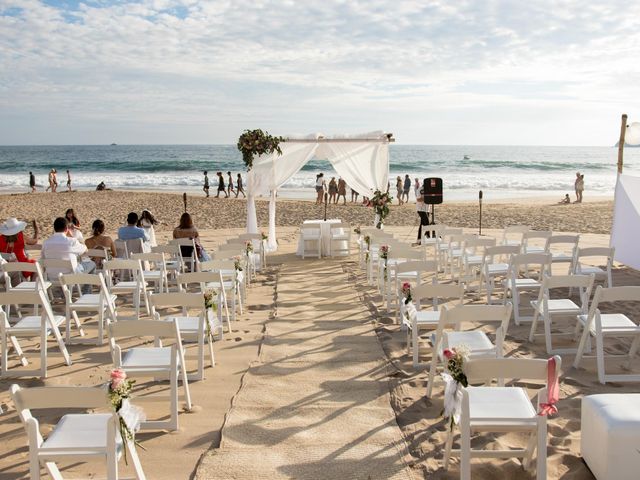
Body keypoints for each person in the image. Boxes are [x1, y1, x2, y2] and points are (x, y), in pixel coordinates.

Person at [42, 217, 95, 291]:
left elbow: (43, 259)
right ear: (66, 228)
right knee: (92, 264)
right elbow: (85, 250)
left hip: (52, 277)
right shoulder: (71, 241)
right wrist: (72, 236)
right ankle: (86, 293)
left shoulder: (46, 243)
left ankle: (62, 293)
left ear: (54, 229)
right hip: (70, 277)